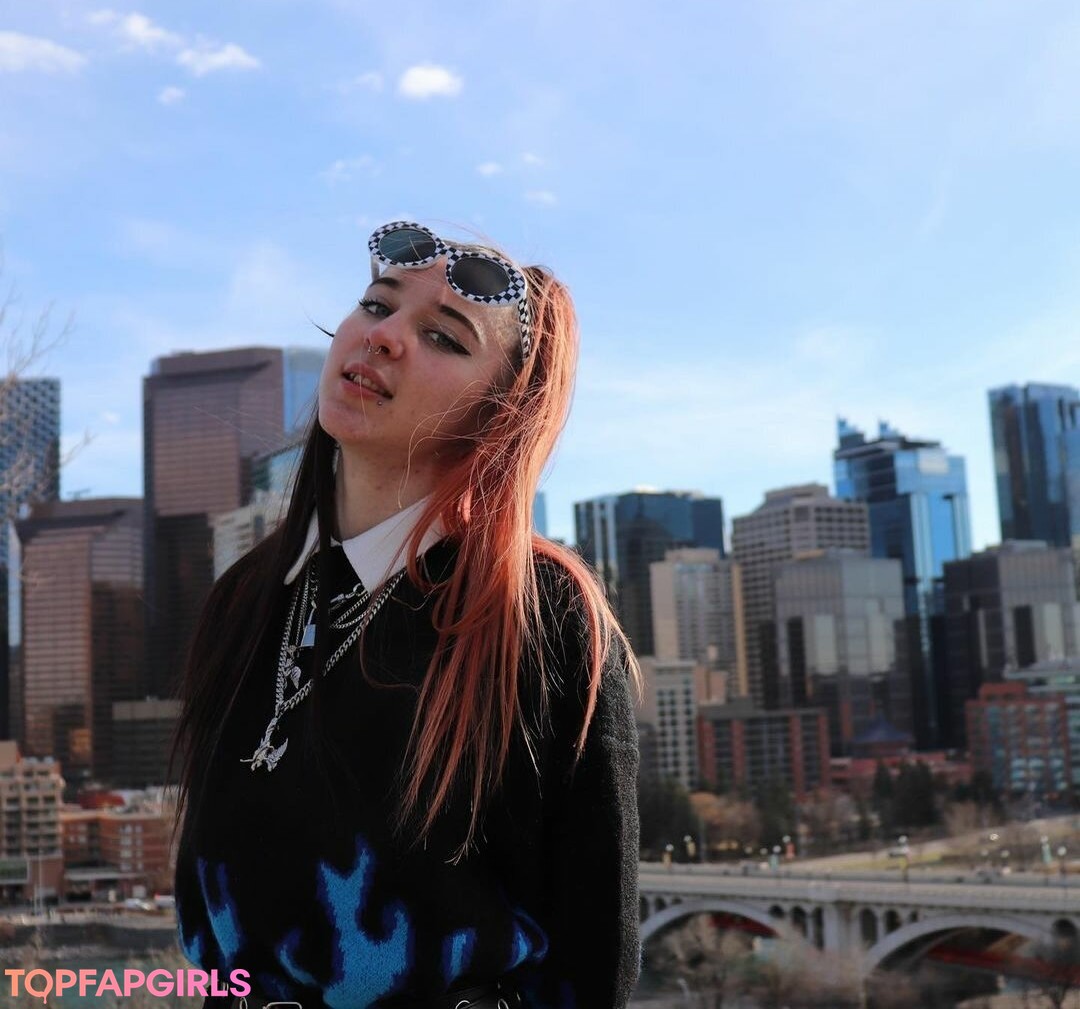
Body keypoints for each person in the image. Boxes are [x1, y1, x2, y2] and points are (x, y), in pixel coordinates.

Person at [172, 221, 642, 1009]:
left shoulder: (541, 614)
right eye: (376, 304)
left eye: (444, 337)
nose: (384, 335)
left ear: (498, 412)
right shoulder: (245, 596)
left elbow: (594, 959)